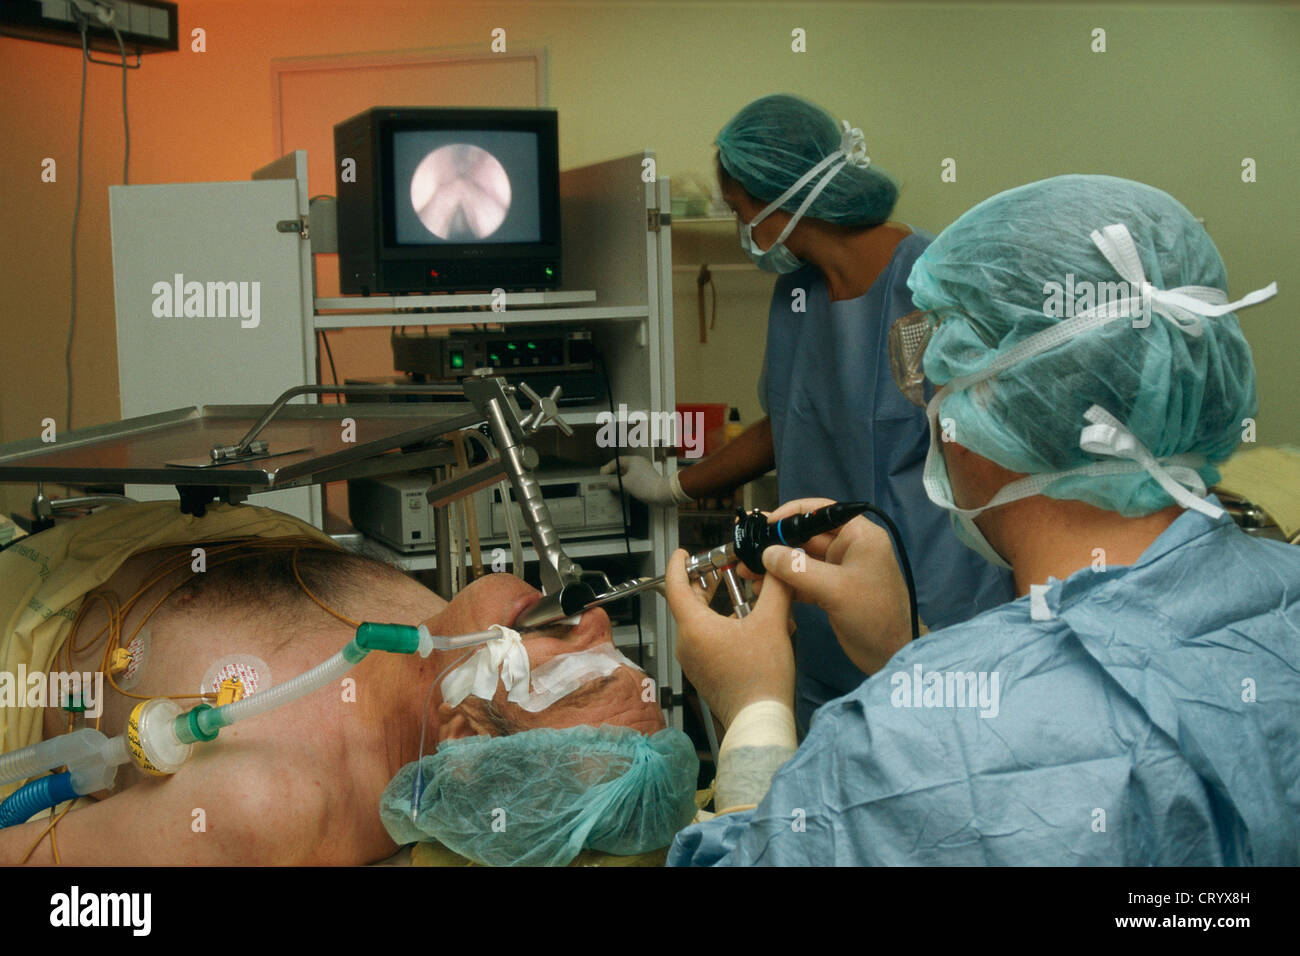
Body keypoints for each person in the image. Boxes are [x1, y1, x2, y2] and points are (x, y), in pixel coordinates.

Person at [663, 174, 1298, 865]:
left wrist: (752, 713)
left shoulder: (904, 750)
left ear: (970, 417)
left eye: (935, 382)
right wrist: (907, 651)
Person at [605, 94, 1012, 733]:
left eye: (740, 212)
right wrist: (676, 485)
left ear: (779, 201)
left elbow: (993, 438)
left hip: (935, 598)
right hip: (822, 599)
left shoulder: (929, 285)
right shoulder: (795, 293)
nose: (744, 231)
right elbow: (789, 422)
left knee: (936, 746)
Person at [0, 507, 695, 866]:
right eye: (616, 652)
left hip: (29, 637)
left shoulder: (271, 801)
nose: (596, 619)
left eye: (575, 669)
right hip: (145, 536)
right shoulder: (434, 647)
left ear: (465, 733)